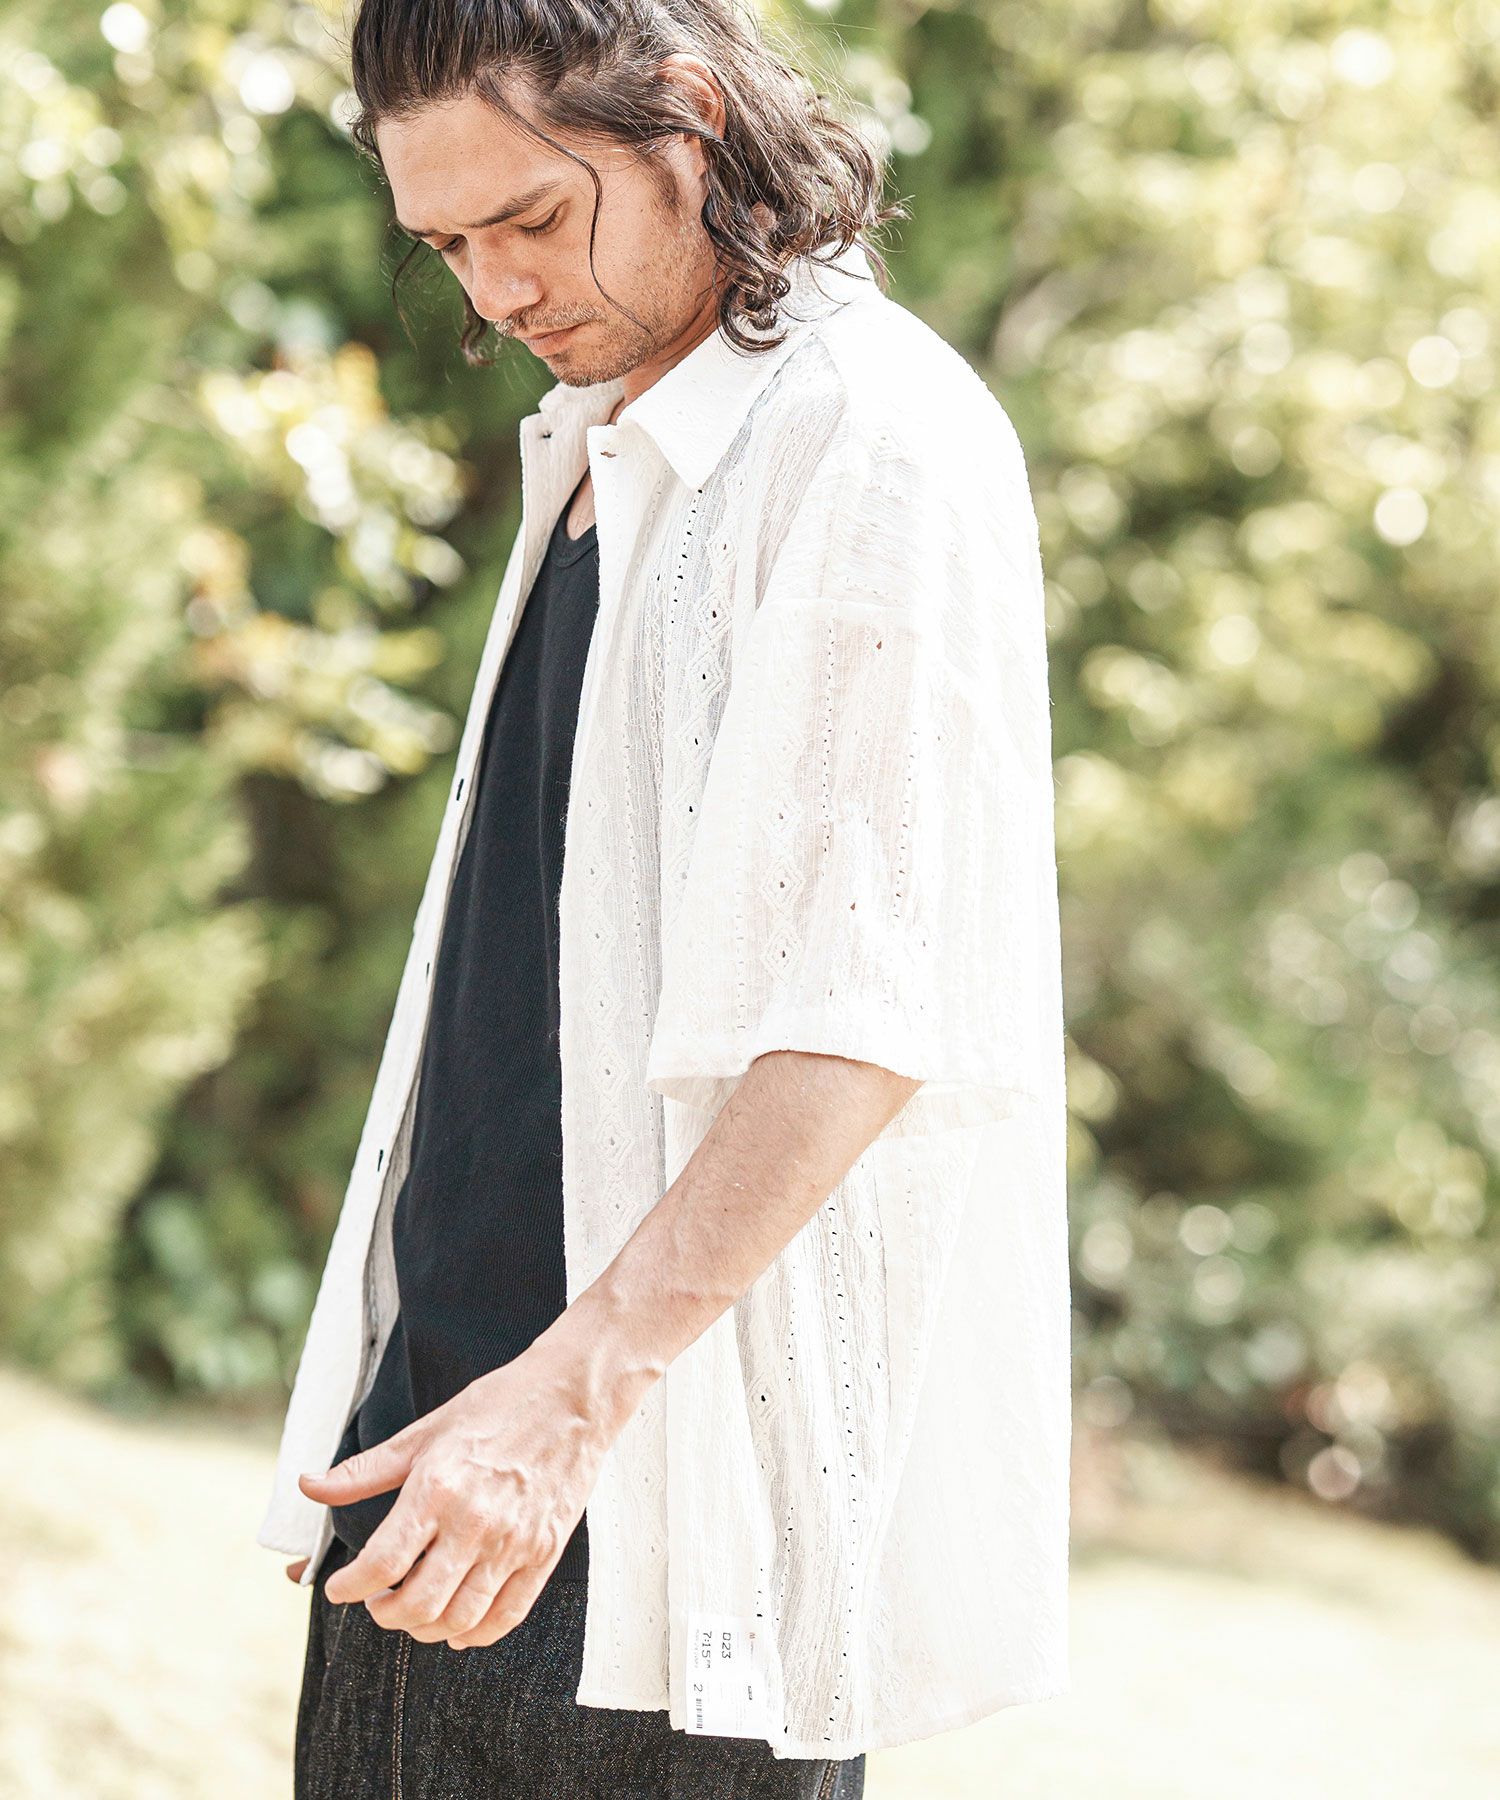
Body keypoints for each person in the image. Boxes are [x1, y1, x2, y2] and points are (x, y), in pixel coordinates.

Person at [258, 2, 1072, 1795]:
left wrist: (566, 1404)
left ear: (686, 117)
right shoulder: (610, 437)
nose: (495, 292)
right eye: (447, 246)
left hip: (644, 1510)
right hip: (444, 1456)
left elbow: (867, 1013)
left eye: (532, 219)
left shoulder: (869, 439)